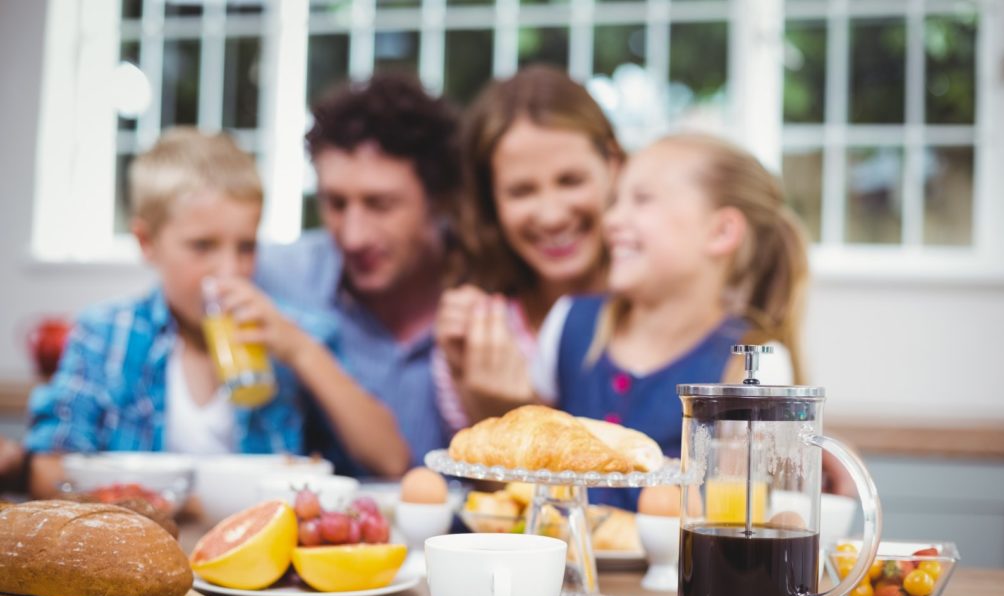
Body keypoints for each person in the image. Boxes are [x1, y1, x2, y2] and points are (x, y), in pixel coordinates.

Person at [25, 128, 409, 498]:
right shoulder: (106, 335)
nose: (230, 271)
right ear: (147, 242)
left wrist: (301, 351)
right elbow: (49, 471)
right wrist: (179, 500)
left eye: (245, 247)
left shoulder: (298, 333)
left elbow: (390, 460)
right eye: (202, 246)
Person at [532, 133, 816, 511]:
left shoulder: (753, 367)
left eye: (642, 200)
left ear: (720, 232)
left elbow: (734, 522)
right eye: (616, 201)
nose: (612, 219)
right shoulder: (567, 323)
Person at [255, 74, 461, 475]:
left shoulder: (492, 294)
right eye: (335, 203)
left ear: (439, 201)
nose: (352, 236)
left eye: (380, 204)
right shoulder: (280, 277)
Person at [434, 65, 623, 431]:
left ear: (612, 166)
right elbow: (489, 487)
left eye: (570, 181)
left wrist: (522, 413)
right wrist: (479, 400)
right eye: (522, 191)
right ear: (490, 201)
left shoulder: (661, 308)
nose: (551, 216)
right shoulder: (478, 330)